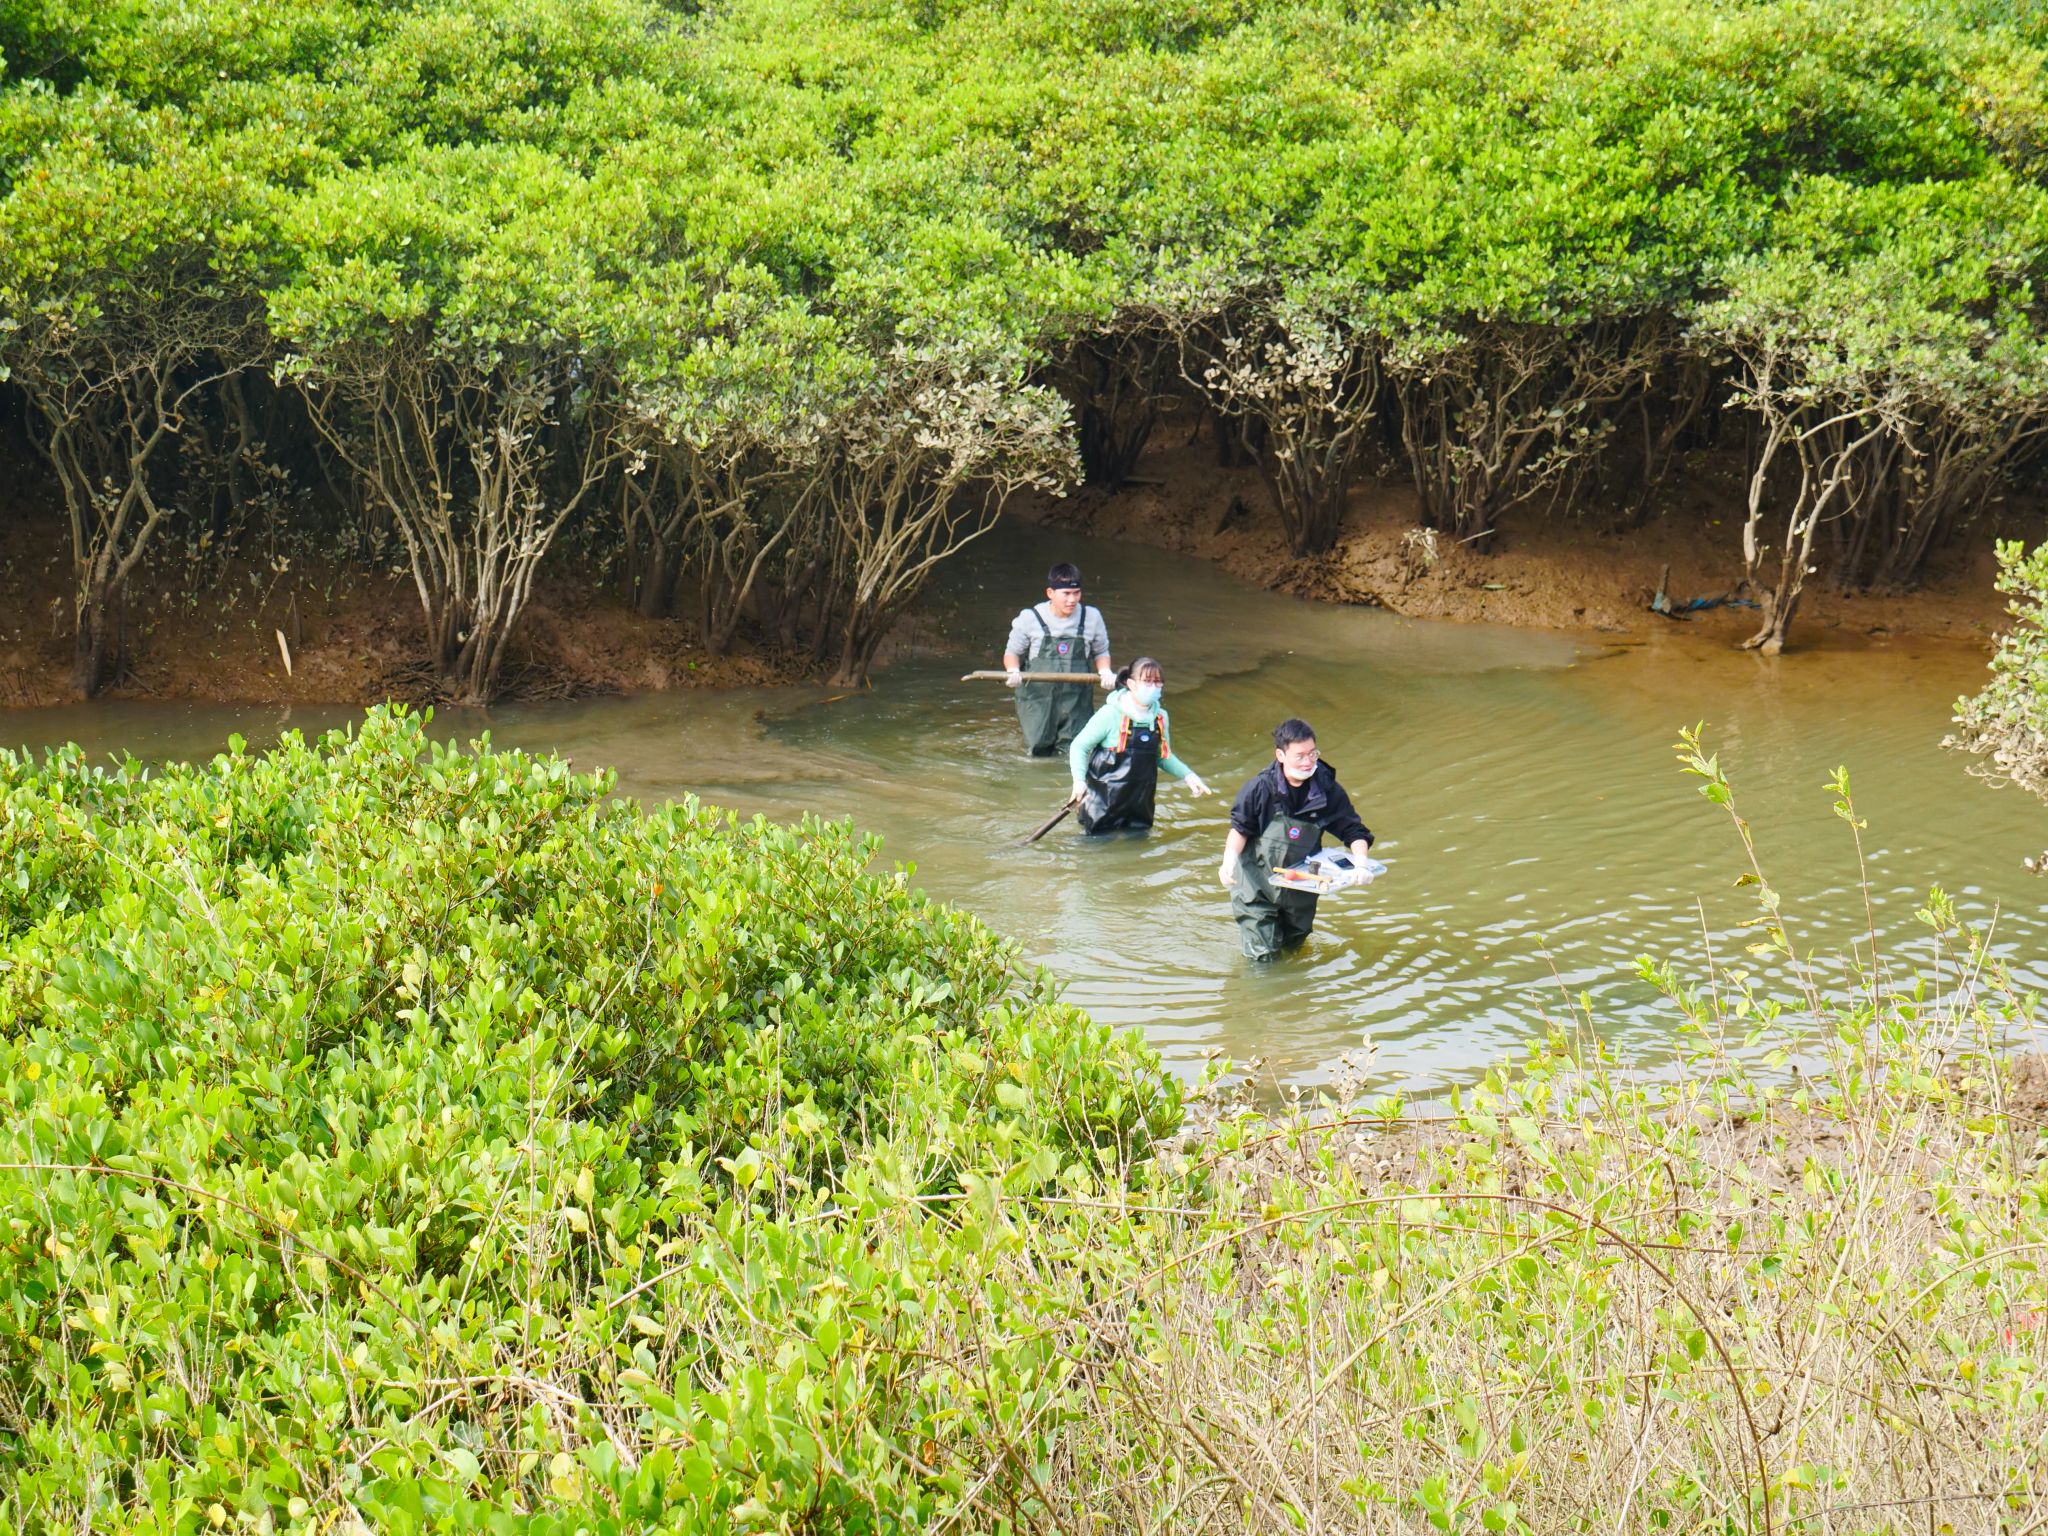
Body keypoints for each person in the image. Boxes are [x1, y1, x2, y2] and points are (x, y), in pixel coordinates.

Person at [1218, 718, 1375, 961]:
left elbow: (1354, 831)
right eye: (1299, 756)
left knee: (1293, 948)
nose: (1308, 761)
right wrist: (1228, 861)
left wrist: (1361, 864)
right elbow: (1240, 829)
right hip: (1256, 883)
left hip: (1301, 885)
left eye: (1312, 754)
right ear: (1280, 755)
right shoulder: (1260, 788)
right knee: (1264, 958)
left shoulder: (1327, 790)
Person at [1067, 658, 1211, 832]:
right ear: (1131, 684)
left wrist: (1188, 775)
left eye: (1157, 682)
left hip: (1140, 803)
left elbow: (1163, 756)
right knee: (1097, 843)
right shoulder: (1110, 714)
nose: (1153, 687)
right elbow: (1079, 747)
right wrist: (1079, 782)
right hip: (1103, 801)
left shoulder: (1160, 717)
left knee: (1139, 842)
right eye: (1147, 681)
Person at [1003, 563, 1114, 756]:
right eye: (1066, 594)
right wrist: (1013, 671)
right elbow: (1012, 653)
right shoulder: (1030, 618)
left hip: (1076, 699)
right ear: (1050, 593)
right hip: (1038, 698)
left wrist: (1105, 672)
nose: (1072, 600)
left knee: (1075, 751)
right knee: (1038, 750)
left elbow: (1101, 651)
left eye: (1077, 593)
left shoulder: (1092, 617)